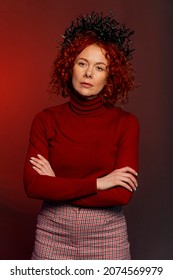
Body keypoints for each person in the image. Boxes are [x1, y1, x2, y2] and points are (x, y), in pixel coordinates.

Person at [24, 11, 139, 260]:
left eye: (100, 67)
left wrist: (56, 186)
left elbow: (121, 194)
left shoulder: (126, 123)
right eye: (82, 63)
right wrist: (99, 183)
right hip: (52, 234)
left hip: (107, 236)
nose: (88, 73)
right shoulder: (45, 120)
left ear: (110, 76)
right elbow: (33, 185)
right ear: (69, 66)